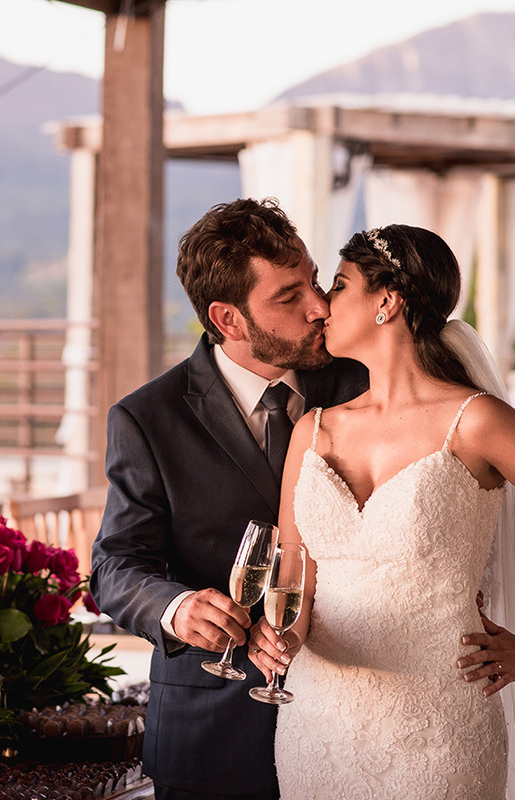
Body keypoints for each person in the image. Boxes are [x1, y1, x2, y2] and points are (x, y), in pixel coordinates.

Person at [253, 224, 515, 799]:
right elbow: (294, 581)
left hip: (438, 730)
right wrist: (278, 636)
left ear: (387, 301)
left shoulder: (476, 422)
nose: (320, 306)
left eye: (337, 286)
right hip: (318, 724)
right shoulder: (312, 430)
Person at [89, 197, 368, 800]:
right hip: (212, 725)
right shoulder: (146, 419)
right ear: (229, 318)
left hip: (358, 711)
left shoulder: (360, 383)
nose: (320, 307)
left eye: (315, 282)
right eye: (288, 297)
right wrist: (178, 608)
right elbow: (114, 567)